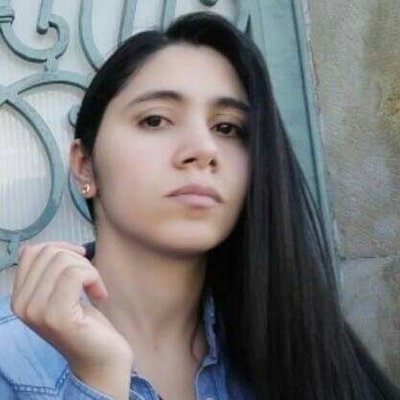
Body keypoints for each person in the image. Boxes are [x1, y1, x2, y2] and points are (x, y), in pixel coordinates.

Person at [0, 11, 399, 400]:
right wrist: (98, 379)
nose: (204, 150)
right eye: (155, 120)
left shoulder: (301, 352)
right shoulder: (10, 362)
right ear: (84, 165)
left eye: (227, 128)